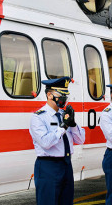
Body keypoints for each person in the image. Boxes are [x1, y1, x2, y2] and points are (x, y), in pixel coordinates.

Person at [29, 76, 85, 205]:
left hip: (66, 164)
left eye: (66, 95)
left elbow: (81, 139)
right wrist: (63, 127)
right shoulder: (39, 117)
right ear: (49, 95)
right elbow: (45, 143)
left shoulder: (64, 114)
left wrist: (73, 124)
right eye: (61, 95)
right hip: (48, 166)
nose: (64, 99)